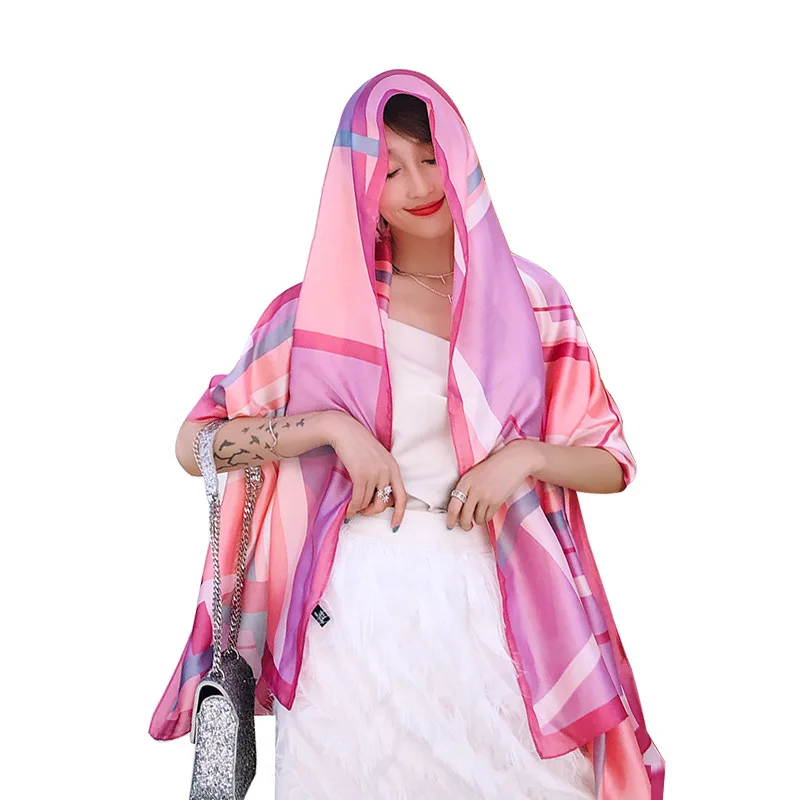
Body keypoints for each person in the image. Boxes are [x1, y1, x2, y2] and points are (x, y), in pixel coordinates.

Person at [150, 70, 665, 800]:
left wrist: (522, 458)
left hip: (502, 598)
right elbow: (194, 443)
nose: (419, 183)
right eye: (390, 169)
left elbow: (611, 461)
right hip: (349, 610)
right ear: (359, 184)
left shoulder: (532, 302)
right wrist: (331, 428)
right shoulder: (312, 315)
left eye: (430, 156)